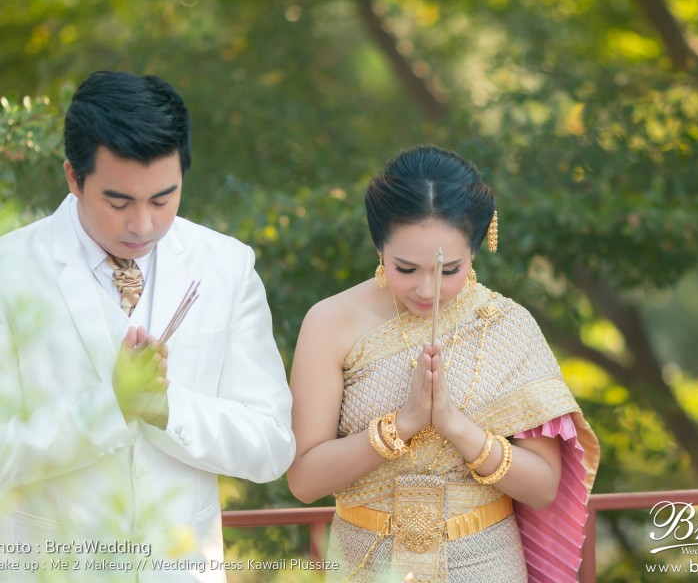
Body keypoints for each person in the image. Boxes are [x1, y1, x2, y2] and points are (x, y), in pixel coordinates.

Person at [0, 71, 295, 582]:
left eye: (163, 199)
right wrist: (108, 408)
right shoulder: (11, 272)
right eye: (118, 202)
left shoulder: (225, 266)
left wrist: (167, 410)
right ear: (73, 178)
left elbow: (270, 445)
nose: (143, 225)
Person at [288, 145, 599, 582]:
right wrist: (404, 423)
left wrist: (455, 425)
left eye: (448, 269)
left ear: (478, 247)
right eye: (405, 268)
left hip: (485, 564)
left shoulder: (507, 327)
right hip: (366, 566)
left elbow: (543, 487)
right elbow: (304, 481)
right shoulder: (330, 323)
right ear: (379, 244)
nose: (426, 289)